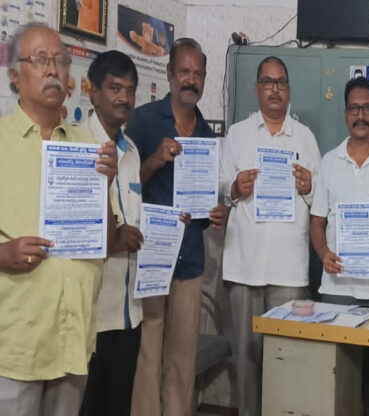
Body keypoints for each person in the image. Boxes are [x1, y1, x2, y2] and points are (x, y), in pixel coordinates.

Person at [0, 23, 117, 415]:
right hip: (17, 344)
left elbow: (107, 240)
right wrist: (3, 254)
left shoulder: (88, 145)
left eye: (60, 61)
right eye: (40, 60)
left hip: (72, 337)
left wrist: (106, 185)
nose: (53, 69)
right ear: (14, 75)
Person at [127, 37, 226, 416]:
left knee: (183, 358)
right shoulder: (144, 121)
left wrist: (215, 213)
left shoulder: (206, 135)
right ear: (169, 73)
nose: (191, 80)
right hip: (151, 254)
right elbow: (123, 185)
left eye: (198, 73)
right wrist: (155, 159)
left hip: (190, 259)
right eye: (184, 71)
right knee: (148, 353)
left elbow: (205, 202)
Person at [219, 56, 321, 416]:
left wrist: (309, 186)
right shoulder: (238, 134)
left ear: (289, 89)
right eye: (268, 82)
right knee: (244, 358)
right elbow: (220, 188)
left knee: (286, 359)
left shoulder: (305, 138)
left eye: (281, 82)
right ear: (257, 88)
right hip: (245, 265)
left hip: (288, 270)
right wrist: (234, 187)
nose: (274, 89)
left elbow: (321, 200)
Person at [310, 76, 369, 416]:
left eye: (367, 108)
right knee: (335, 375)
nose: (361, 115)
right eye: (354, 108)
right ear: (345, 114)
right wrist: (324, 254)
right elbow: (317, 222)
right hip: (336, 287)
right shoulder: (329, 161)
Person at [79, 50, 142, 416]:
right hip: (90, 315)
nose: (124, 98)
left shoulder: (131, 151)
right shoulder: (75, 145)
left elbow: (132, 222)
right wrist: (116, 238)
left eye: (130, 90)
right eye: (115, 88)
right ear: (93, 93)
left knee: (118, 407)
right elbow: (76, 231)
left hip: (129, 312)